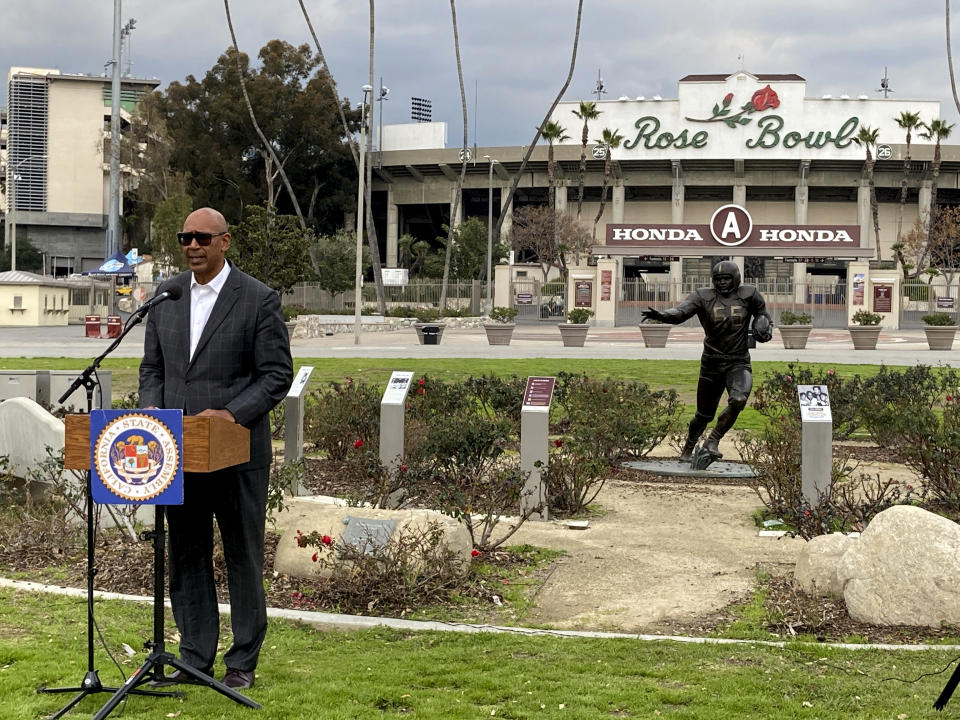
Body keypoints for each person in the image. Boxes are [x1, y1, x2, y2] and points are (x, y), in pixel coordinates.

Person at [139, 207, 293, 690]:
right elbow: (153, 371)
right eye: (185, 237)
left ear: (225, 242)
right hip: (176, 453)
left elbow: (276, 375)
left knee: (242, 555)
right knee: (186, 555)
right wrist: (152, 418)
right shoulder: (167, 296)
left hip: (236, 454)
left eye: (202, 238)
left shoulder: (257, 299)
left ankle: (242, 662)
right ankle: (194, 657)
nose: (192, 246)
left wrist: (229, 414)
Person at [642, 261, 772, 468]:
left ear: (736, 278)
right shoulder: (703, 296)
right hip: (712, 362)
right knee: (703, 415)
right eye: (718, 279)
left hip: (738, 361)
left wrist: (763, 325)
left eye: (726, 279)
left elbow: (763, 314)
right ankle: (688, 448)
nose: (722, 283)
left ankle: (713, 439)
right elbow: (681, 312)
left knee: (738, 399)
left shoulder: (749, 294)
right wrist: (663, 316)